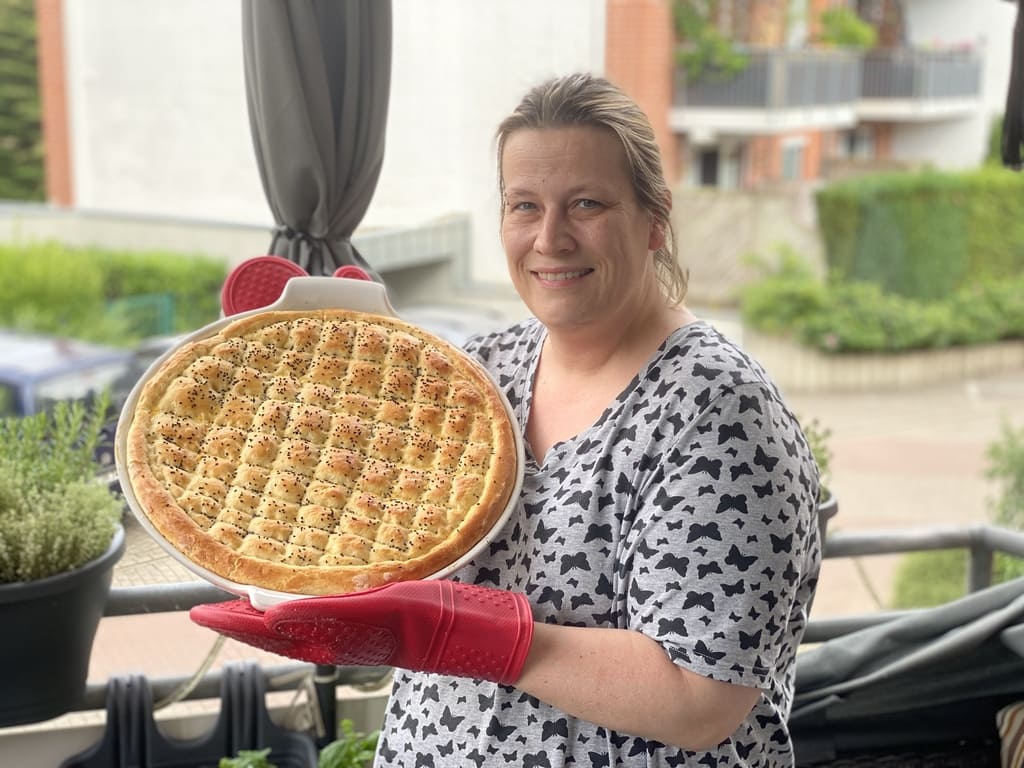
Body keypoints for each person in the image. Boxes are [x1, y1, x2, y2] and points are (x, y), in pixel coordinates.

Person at [192, 72, 822, 767]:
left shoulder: (717, 411)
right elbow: (366, 524)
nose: (550, 237)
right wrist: (279, 416)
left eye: (586, 204)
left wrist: (456, 632)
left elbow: (698, 700)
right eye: (524, 205)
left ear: (655, 220)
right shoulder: (481, 373)